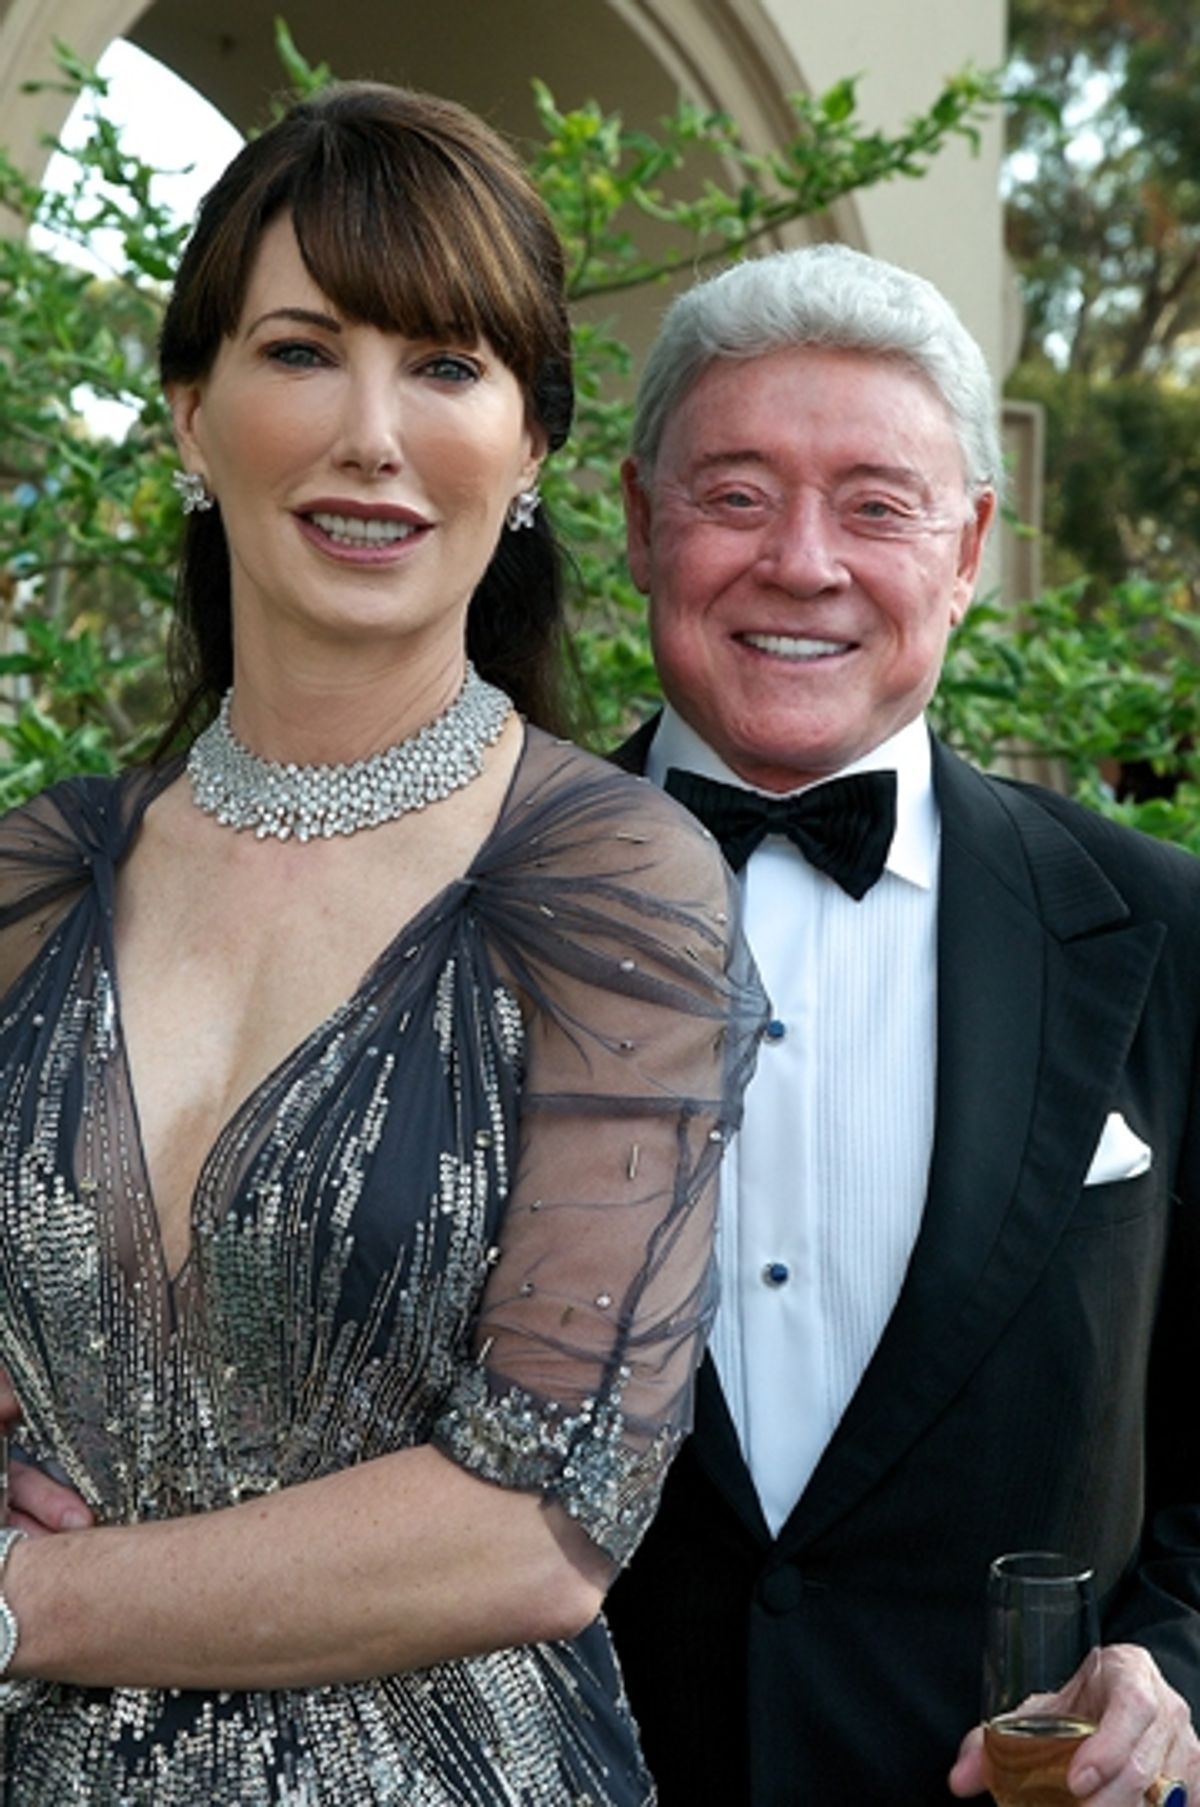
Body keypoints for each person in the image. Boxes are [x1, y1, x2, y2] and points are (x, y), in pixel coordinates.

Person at [0, 82, 763, 1803]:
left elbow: (542, 1518)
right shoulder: (35, 878)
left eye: (444, 366)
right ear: (189, 415)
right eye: (300, 351)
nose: (370, 435)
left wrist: (21, 1603)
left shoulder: (608, 884)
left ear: (531, 444)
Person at [600, 242, 1200, 1804]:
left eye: (876, 506)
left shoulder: (1166, 933)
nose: (804, 563)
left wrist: (1177, 1662)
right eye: (737, 495)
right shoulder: (468, 912)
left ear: (969, 548)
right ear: (641, 521)